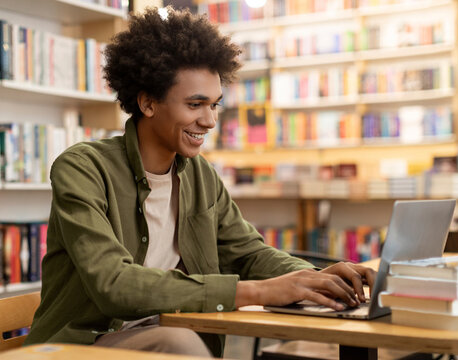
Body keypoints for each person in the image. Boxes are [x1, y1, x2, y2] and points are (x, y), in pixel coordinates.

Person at [24, 7, 376, 358]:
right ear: (147, 102)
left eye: (215, 105)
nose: (209, 121)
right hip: (80, 344)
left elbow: (249, 252)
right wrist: (259, 292)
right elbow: (114, 285)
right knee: (177, 342)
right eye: (195, 104)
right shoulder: (83, 168)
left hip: (166, 335)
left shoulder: (199, 174)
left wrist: (315, 278)